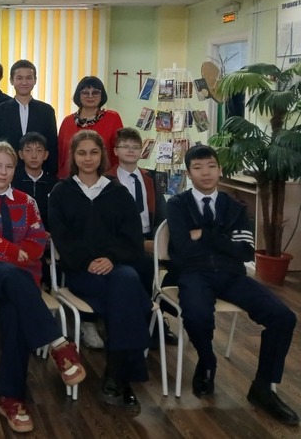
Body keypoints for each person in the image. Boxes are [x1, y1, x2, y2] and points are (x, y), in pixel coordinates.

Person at [0, 141, 85, 434]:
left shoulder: (27, 202)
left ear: (16, 169)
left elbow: (37, 243)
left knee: (15, 308)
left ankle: (10, 398)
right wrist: (10, 250)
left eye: (9, 166)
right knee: (11, 277)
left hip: (22, 278)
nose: (3, 172)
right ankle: (58, 343)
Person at [166, 145, 298, 425]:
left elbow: (245, 252)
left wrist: (204, 234)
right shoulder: (177, 205)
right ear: (188, 174)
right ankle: (207, 361)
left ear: (220, 169)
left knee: (283, 317)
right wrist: (223, 239)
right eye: (198, 168)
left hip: (232, 276)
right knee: (197, 314)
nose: (205, 173)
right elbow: (183, 249)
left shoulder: (235, 206)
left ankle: (263, 387)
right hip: (193, 274)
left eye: (211, 166)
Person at [48, 130, 153, 413]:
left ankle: (116, 374)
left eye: (93, 152)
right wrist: (89, 262)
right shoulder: (61, 192)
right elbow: (62, 238)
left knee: (124, 283)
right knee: (130, 290)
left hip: (115, 268)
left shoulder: (117, 192)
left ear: (102, 156)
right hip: (82, 274)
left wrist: (110, 258)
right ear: (73, 156)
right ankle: (123, 375)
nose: (88, 158)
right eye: (81, 152)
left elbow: (132, 240)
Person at [105, 127, 178, 346]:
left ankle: (159, 311)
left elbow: (162, 215)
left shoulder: (151, 178)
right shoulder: (107, 180)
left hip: (150, 235)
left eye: (135, 147)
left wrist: (160, 240)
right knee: (144, 266)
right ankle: (146, 323)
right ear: (115, 151)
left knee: (182, 262)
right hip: (121, 240)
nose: (130, 150)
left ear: (142, 151)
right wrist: (140, 244)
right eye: (125, 146)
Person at [0, 59, 58, 175]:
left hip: (39, 175)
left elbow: (52, 146)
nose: (24, 83)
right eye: (19, 78)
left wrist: (50, 175)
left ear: (35, 80)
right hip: (7, 173)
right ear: (11, 80)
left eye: (29, 78)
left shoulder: (47, 111)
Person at [57, 76, 124, 179]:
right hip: (70, 180)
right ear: (78, 95)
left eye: (95, 92)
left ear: (102, 95)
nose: (90, 96)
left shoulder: (113, 118)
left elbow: (119, 152)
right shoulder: (67, 121)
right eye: (85, 92)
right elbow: (60, 157)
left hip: (103, 180)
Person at [12, 132, 57, 230]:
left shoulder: (54, 185)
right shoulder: (12, 182)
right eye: (28, 150)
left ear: (45, 155)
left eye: (39, 150)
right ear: (20, 154)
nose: (34, 156)